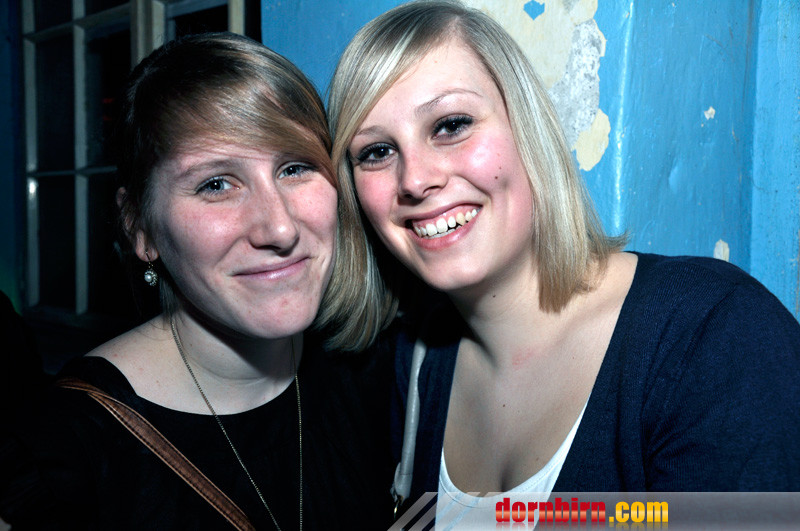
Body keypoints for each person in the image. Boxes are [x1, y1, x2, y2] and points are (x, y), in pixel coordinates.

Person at [327, 0, 800, 525]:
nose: (415, 179)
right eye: (376, 152)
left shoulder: (714, 335)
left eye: (451, 124)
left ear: (527, 127)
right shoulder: (410, 366)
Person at [0, 32, 395, 529]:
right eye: (216, 184)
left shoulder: (382, 372)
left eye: (295, 168)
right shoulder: (67, 454)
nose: (280, 229)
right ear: (141, 228)